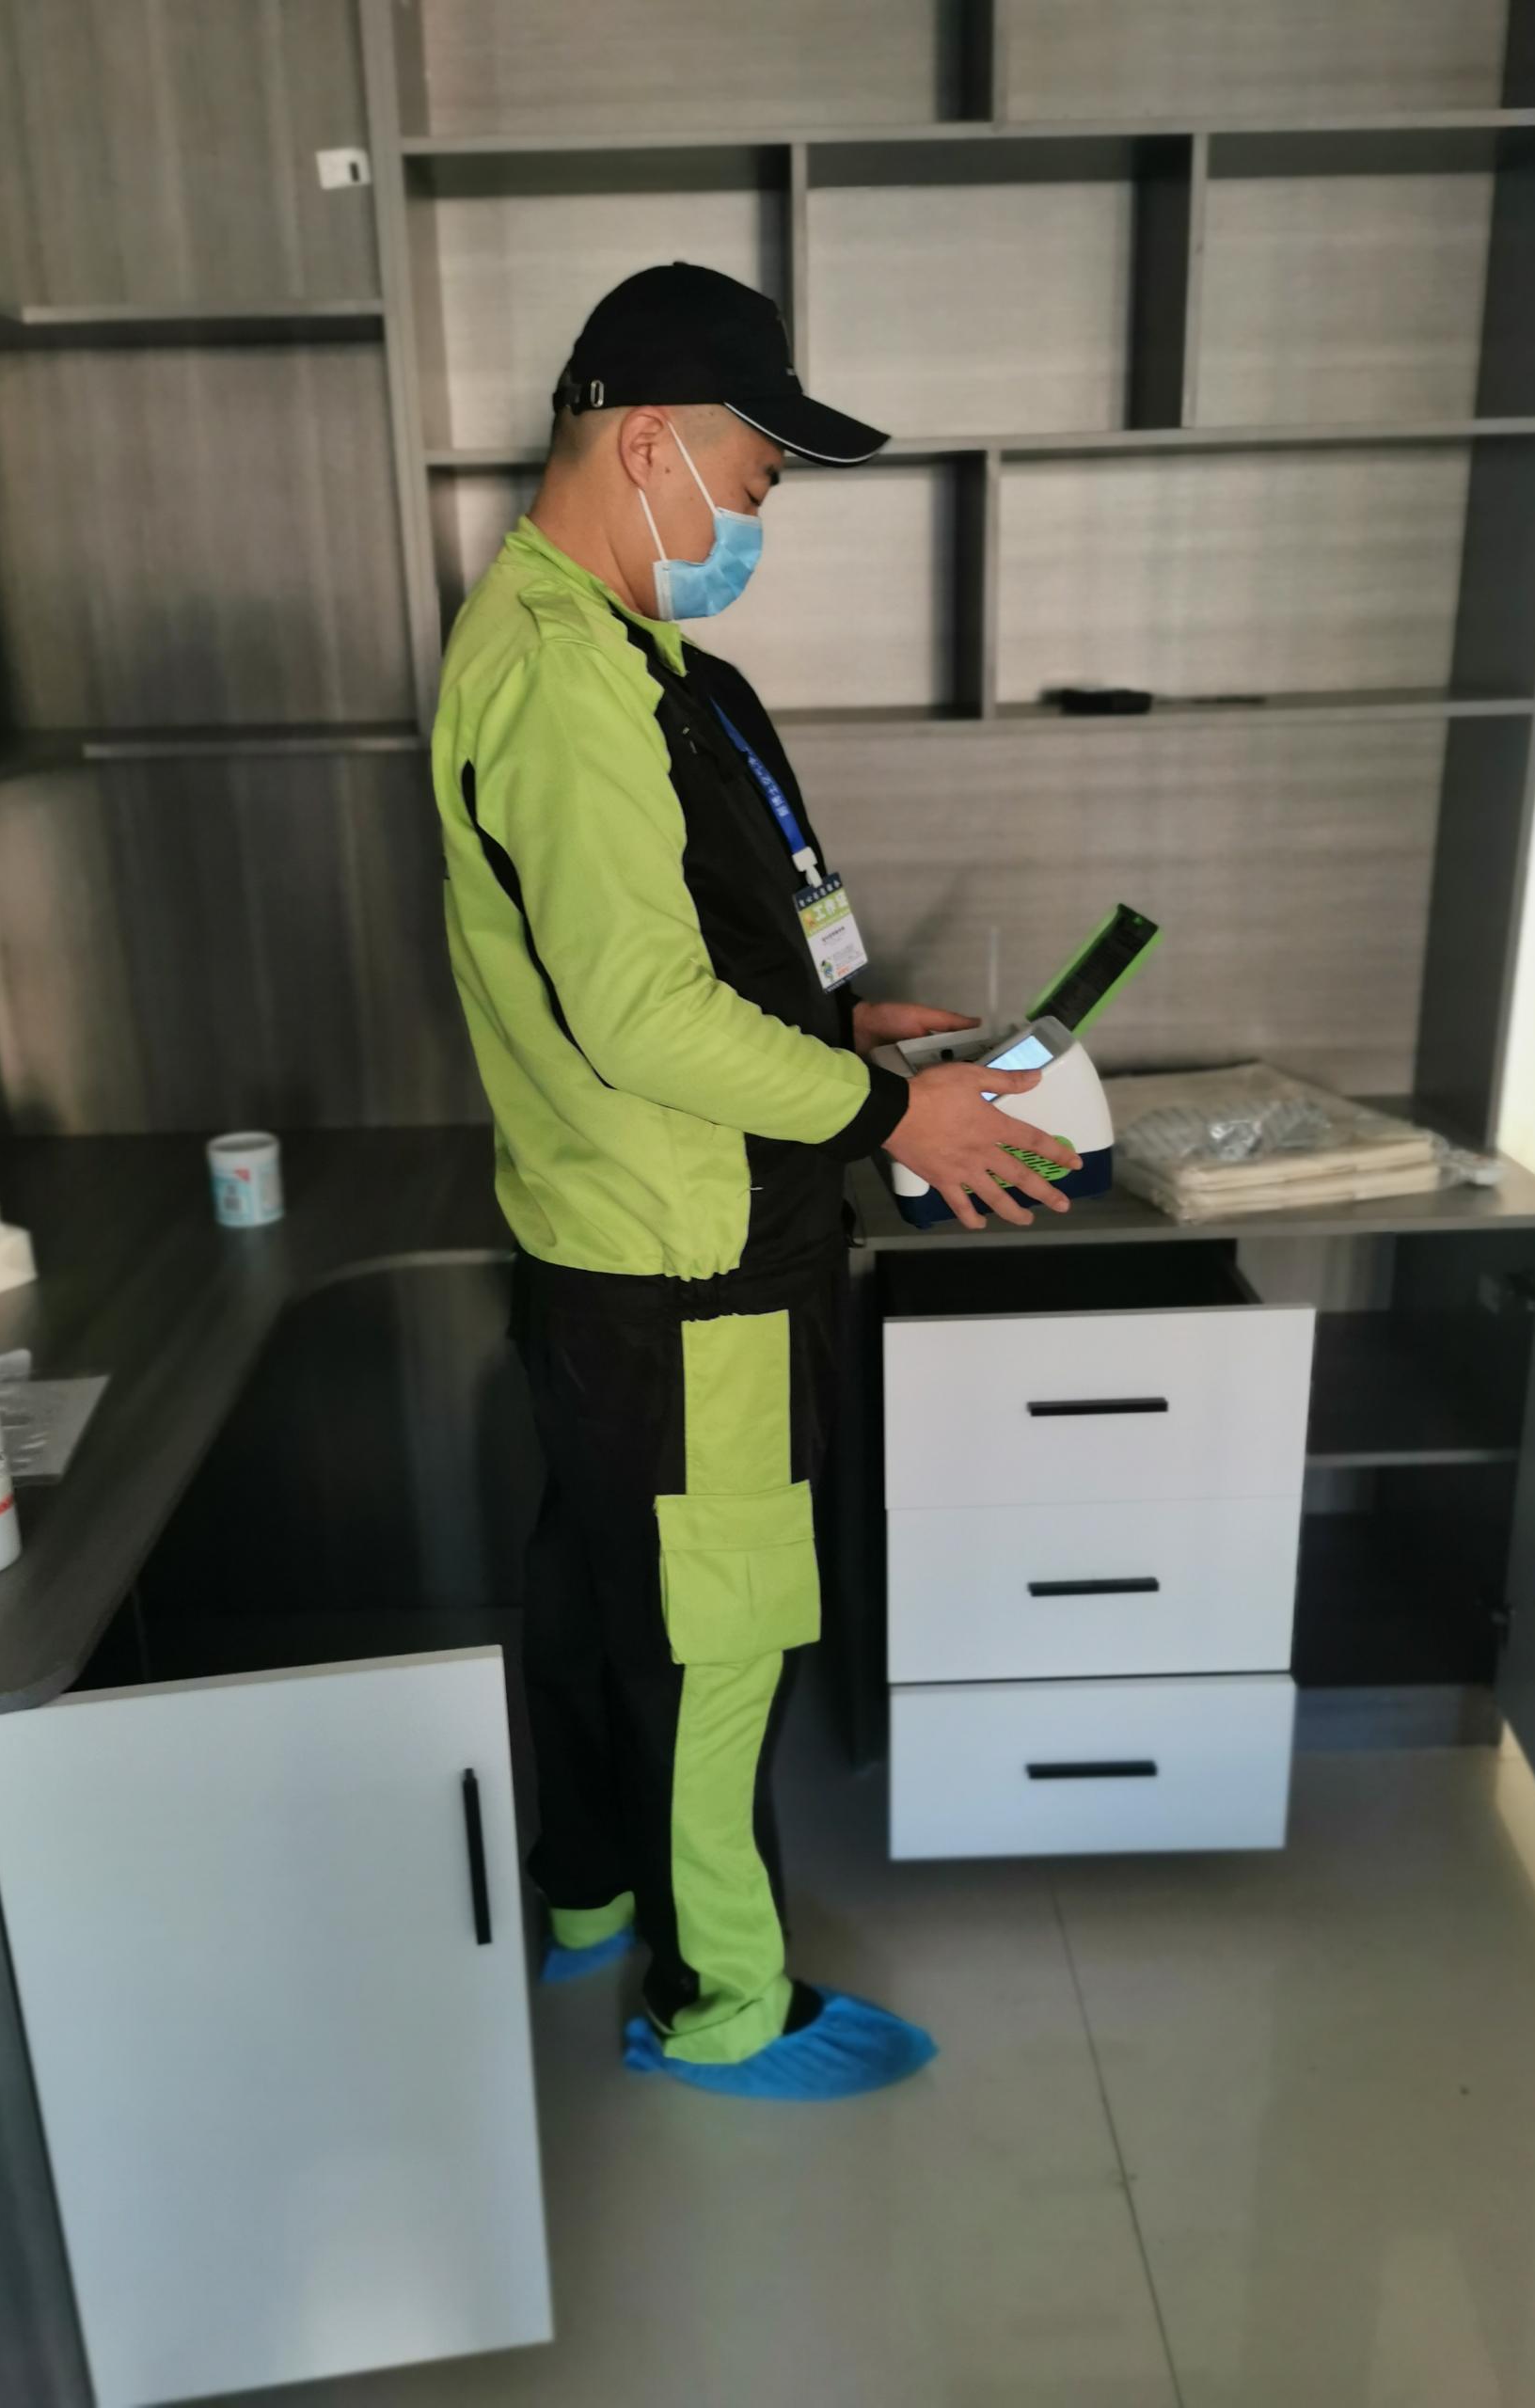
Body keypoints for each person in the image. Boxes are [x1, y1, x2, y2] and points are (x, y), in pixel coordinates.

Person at [432, 262, 1076, 2101]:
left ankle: (585, 1895)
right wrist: (894, 1118)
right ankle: (721, 2000)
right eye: (756, 474)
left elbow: (660, 946)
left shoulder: (612, 650)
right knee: (717, 1641)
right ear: (648, 443)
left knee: (597, 1595)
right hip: (691, 1266)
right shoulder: (570, 678)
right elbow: (640, 1014)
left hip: (611, 1249)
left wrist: (843, 1021)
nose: (759, 516)